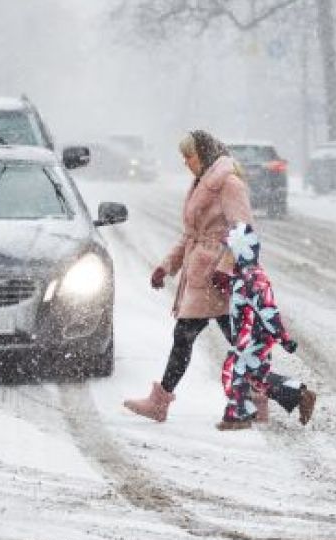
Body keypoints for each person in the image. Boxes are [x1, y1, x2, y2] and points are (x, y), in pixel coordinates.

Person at [123, 130, 316, 428]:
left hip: (217, 278)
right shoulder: (202, 182)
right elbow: (190, 235)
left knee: (184, 338)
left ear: (203, 152)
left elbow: (244, 231)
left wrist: (226, 269)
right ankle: (287, 394)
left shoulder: (228, 183)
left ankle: (160, 404)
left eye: (189, 155)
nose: (185, 162)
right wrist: (167, 266)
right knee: (234, 346)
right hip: (203, 273)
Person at [216, 222, 315, 430]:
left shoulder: (253, 278)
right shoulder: (241, 275)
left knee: (234, 368)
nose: (224, 254)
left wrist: (283, 338)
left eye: (228, 250)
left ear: (241, 250)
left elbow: (268, 311)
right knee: (255, 376)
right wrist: (227, 284)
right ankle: (298, 394)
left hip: (256, 335)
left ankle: (239, 414)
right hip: (249, 334)